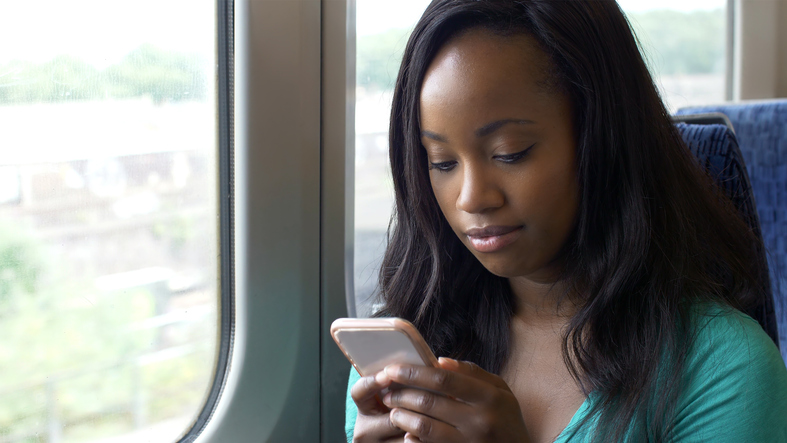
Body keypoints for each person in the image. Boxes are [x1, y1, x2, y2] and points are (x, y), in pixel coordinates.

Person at [345, 1, 787, 442]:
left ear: (604, 139)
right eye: (441, 162)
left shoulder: (723, 370)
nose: (472, 197)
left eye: (510, 152)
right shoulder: (406, 351)